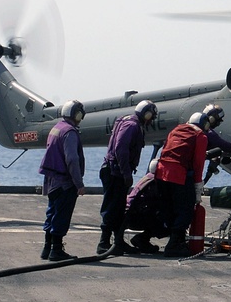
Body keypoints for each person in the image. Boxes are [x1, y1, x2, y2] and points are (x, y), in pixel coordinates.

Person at [97, 100, 158, 255]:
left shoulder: (127, 121)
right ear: (147, 113)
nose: (151, 120)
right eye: (151, 116)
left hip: (115, 171)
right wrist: (126, 173)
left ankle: (118, 242)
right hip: (115, 172)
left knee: (118, 208)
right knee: (111, 207)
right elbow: (121, 148)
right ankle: (103, 243)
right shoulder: (132, 125)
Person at [154, 112, 209, 257]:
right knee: (185, 210)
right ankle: (173, 245)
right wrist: (198, 188)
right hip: (179, 175)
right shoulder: (200, 136)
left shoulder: (176, 130)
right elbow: (198, 164)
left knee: (167, 209)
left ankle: (147, 237)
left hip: (161, 174)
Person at [39, 100, 86, 261]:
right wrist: (79, 184)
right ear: (77, 114)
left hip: (52, 179)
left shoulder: (57, 128)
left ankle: (47, 248)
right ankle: (56, 250)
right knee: (61, 214)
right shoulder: (70, 132)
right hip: (65, 182)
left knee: (52, 212)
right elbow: (72, 159)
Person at [125, 160, 169, 253]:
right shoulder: (154, 182)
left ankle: (142, 239)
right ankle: (142, 239)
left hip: (129, 212)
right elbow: (155, 202)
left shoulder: (148, 177)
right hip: (134, 216)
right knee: (167, 220)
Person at [201, 104, 231, 181]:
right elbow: (224, 145)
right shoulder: (209, 133)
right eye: (217, 122)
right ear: (211, 119)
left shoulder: (196, 127)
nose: (217, 125)